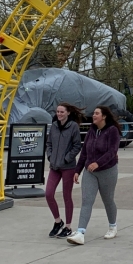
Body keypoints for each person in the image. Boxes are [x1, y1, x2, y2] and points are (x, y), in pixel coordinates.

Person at [67, 106, 120, 245]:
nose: (94, 115)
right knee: (86, 201)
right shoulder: (91, 130)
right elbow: (84, 152)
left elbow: (112, 151)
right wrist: (77, 170)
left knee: (108, 200)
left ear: (104, 116)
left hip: (108, 171)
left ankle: (113, 226)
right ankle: (80, 233)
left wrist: (98, 163)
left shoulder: (112, 131)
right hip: (90, 172)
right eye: (94, 113)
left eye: (97, 113)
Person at [45, 102, 82, 238]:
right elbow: (49, 144)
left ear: (68, 113)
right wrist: (50, 156)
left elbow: (77, 146)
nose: (59, 114)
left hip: (68, 167)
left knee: (67, 196)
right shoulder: (54, 126)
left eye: (62, 112)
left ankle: (68, 226)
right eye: (57, 112)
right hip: (54, 166)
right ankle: (58, 221)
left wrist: (67, 158)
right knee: (48, 194)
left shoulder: (73, 127)